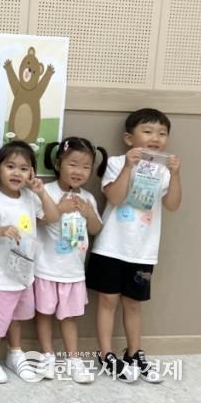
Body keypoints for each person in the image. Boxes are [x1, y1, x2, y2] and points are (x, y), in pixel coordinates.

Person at [86, 108, 181, 383]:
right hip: (111, 246)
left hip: (143, 250)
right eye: (148, 131)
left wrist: (175, 174)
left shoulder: (163, 171)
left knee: (134, 303)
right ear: (129, 138)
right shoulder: (117, 163)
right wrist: (129, 167)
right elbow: (114, 198)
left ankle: (134, 353)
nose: (155, 138)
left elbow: (173, 205)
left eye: (162, 133)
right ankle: (105, 355)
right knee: (107, 301)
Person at [0, 140, 59, 383]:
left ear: (31, 173)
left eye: (23, 168)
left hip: (23, 273)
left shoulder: (30, 198)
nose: (16, 173)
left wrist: (41, 192)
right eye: (10, 166)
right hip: (0, 276)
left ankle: (15, 352)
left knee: (17, 317)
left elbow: (53, 217)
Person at [34, 137, 107, 384]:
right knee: (44, 314)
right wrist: (60, 208)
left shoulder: (88, 197)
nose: (79, 171)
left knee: (69, 317)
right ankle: (47, 356)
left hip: (73, 272)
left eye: (86, 167)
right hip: (46, 268)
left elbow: (96, 229)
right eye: (73, 164)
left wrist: (88, 213)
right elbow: (40, 220)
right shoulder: (46, 191)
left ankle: (73, 359)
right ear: (58, 164)